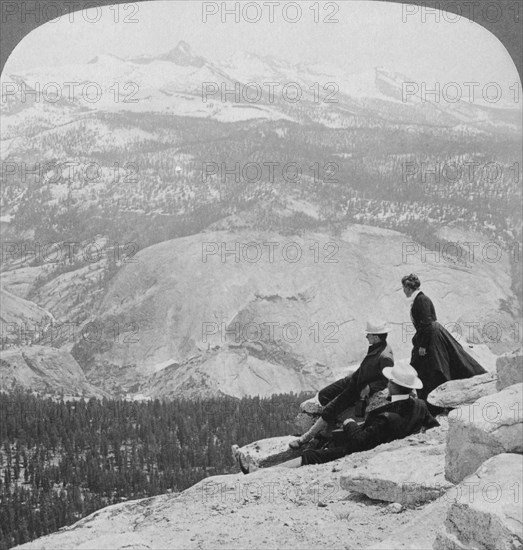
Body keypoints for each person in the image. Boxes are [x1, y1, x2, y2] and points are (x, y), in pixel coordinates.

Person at [253, 361, 439, 470]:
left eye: (389, 382)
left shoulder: (387, 416)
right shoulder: (420, 405)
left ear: (392, 384)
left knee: (312, 456)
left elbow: (360, 442)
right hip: (381, 441)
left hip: (360, 449)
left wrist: (350, 422)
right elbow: (433, 427)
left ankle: (268, 473)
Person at [289, 320, 394, 450]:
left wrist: (370, 388)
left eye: (369, 334)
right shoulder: (378, 347)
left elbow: (386, 379)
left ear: (376, 337)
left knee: (331, 409)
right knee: (324, 395)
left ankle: (306, 438)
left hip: (358, 388)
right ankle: (324, 431)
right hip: (353, 379)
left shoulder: (385, 356)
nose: (366, 337)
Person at [401, 273, 487, 402]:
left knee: (437, 367)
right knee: (429, 366)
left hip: (431, 336)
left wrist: (423, 345)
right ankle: (429, 399)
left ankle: (435, 400)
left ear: (408, 288)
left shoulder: (422, 299)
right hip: (429, 335)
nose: (403, 291)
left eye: (404, 288)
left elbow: (426, 322)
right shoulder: (418, 298)